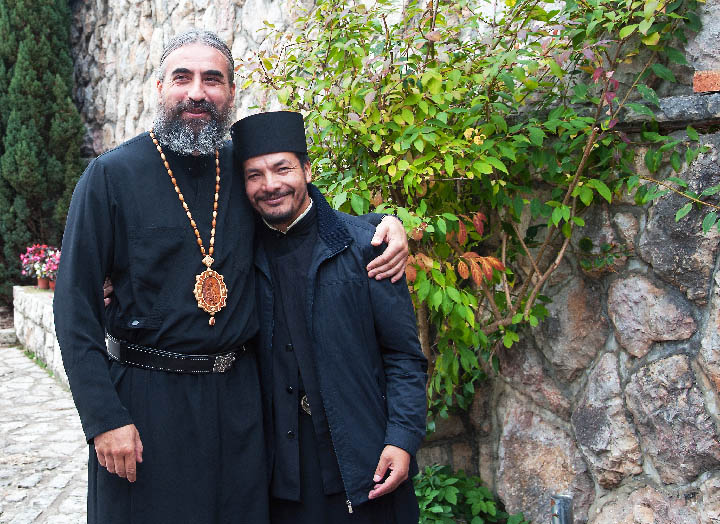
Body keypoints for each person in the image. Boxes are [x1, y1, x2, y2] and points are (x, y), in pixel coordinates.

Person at [53, 30, 408, 524]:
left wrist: (382, 226)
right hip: (149, 402)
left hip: (242, 405)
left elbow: (304, 211)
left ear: (231, 92)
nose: (197, 92)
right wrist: (104, 417)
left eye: (212, 79)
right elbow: (74, 306)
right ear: (160, 87)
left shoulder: (244, 170)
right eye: (183, 78)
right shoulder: (110, 176)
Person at [231, 111, 427, 524]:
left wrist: (402, 438)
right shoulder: (238, 259)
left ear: (307, 169)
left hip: (365, 466)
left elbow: (404, 356)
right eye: (254, 175)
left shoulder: (367, 247)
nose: (270, 185)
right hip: (279, 481)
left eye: (282, 168)